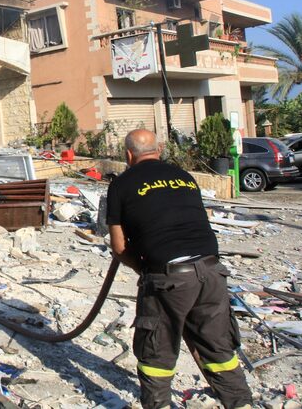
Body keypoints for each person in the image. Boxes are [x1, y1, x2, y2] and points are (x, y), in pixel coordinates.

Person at [106, 129, 252, 409]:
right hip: (212, 271)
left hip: (168, 277)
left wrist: (147, 271)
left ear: (128, 155)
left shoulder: (122, 185)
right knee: (218, 347)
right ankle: (240, 403)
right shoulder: (184, 177)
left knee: (156, 354)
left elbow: (119, 246)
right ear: (159, 149)